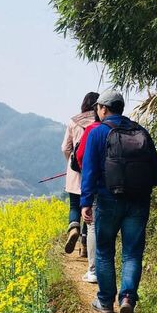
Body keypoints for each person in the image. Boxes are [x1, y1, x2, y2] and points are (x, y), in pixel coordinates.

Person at [80, 90, 157, 313]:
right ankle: (127, 298)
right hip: (138, 200)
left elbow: (90, 170)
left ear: (103, 109)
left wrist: (86, 201)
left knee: (105, 251)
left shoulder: (98, 133)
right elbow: (155, 167)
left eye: (98, 108)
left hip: (108, 199)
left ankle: (105, 302)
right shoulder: (141, 131)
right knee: (132, 253)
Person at [61, 92, 99, 254]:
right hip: (95, 170)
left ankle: (73, 227)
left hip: (75, 171)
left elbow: (65, 148)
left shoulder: (73, 122)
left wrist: (71, 162)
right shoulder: (100, 122)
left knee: (75, 205)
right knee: (89, 207)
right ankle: (84, 246)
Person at [75, 112, 101, 284]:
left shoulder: (92, 130)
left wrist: (85, 200)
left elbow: (80, 157)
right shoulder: (131, 129)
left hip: (98, 186)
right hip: (127, 190)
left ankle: (94, 270)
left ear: (103, 109)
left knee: (92, 227)